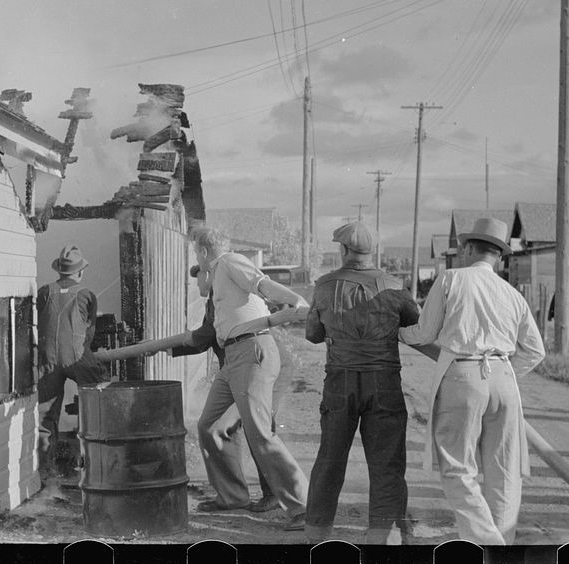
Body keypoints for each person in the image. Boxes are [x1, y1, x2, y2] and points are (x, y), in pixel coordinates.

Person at [399, 217, 546, 545]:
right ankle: (501, 543)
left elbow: (424, 332)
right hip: (504, 377)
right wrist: (501, 372)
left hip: (463, 376)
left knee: (457, 467)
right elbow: (535, 351)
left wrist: (397, 332)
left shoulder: (451, 278)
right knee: (503, 470)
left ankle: (487, 542)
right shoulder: (512, 293)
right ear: (500, 256)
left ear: (467, 248)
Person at [303, 221, 421, 544]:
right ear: (371, 252)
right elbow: (415, 321)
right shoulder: (394, 285)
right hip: (384, 382)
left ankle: (316, 534)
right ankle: (381, 534)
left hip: (339, 382)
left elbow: (313, 334)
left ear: (343, 250)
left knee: (330, 458)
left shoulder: (324, 285)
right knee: (386, 461)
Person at [188, 224, 311, 530]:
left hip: (252, 350)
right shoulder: (216, 273)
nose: (196, 258)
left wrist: (296, 301)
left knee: (259, 432)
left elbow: (262, 283)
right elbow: (209, 296)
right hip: (233, 357)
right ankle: (232, 496)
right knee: (211, 425)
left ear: (203, 251)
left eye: (196, 252)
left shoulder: (229, 261)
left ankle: (305, 506)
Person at [168, 264, 292, 513]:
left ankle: (277, 494)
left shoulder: (223, 297)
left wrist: (164, 346)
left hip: (261, 360)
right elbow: (206, 337)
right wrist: (170, 347)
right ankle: (236, 494)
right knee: (224, 425)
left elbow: (202, 338)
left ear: (211, 276)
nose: (198, 283)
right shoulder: (217, 299)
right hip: (250, 363)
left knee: (257, 426)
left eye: (200, 276)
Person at [35, 245, 109, 492]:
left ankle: (45, 476)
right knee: (97, 406)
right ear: (80, 272)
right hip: (77, 358)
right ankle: (96, 469)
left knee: (45, 419)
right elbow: (90, 331)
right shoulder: (86, 294)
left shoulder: (44, 291)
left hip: (47, 360)